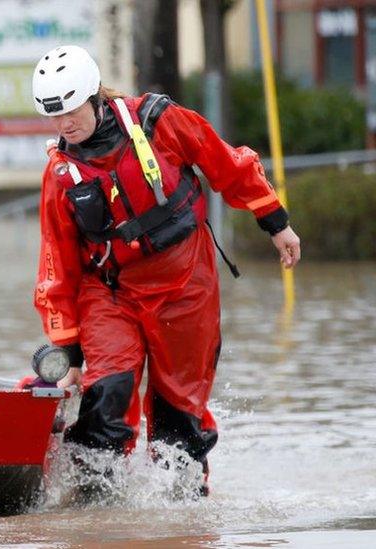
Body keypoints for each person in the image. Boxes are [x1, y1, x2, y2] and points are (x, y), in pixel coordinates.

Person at [30, 45, 301, 496]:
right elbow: (55, 263)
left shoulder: (158, 121)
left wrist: (275, 222)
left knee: (181, 405)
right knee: (108, 390)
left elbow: (225, 163)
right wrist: (70, 354)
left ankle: (182, 504)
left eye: (71, 112)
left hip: (185, 281)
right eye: (53, 117)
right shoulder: (61, 173)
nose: (64, 125)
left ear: (94, 96)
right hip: (111, 290)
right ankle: (96, 505)